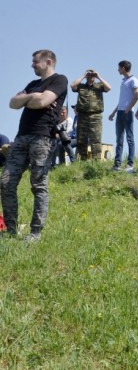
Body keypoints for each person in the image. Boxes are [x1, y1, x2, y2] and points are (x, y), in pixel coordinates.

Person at [1, 50, 68, 241]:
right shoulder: (33, 84)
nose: (32, 65)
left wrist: (29, 98)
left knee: (38, 185)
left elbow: (42, 101)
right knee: (5, 182)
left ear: (48, 62)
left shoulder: (59, 80)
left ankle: (35, 232)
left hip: (43, 138)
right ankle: (11, 230)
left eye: (35, 62)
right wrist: (33, 96)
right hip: (21, 137)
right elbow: (13, 103)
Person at [71, 67, 111, 160]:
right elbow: (72, 85)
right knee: (81, 140)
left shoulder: (99, 86)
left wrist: (98, 76)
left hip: (96, 116)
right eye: (89, 75)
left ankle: (96, 161)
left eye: (92, 75)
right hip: (82, 116)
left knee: (96, 140)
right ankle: (82, 161)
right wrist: (84, 75)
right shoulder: (81, 86)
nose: (91, 76)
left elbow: (109, 88)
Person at [108, 60, 138, 172]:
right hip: (120, 112)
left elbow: (136, 96)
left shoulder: (133, 80)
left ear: (123, 68)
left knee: (129, 138)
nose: (118, 70)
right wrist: (114, 112)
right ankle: (117, 164)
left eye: (119, 68)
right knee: (119, 139)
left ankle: (130, 164)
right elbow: (122, 100)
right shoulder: (123, 81)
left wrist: (128, 109)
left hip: (127, 112)